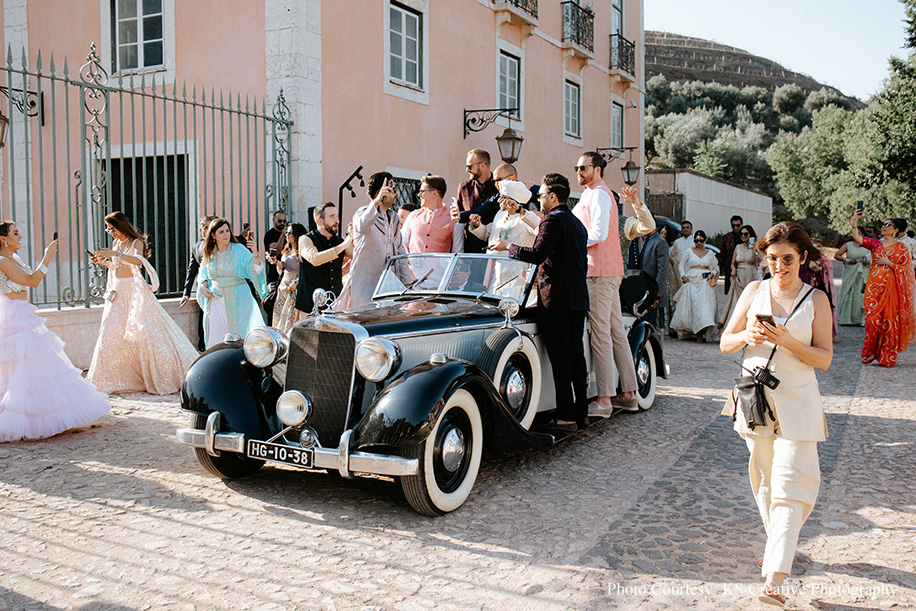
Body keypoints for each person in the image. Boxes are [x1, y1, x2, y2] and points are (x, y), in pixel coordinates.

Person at [719, 221, 833, 608]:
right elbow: (724, 343)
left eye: (787, 259)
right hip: (755, 401)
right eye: (772, 259)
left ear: (802, 258)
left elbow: (825, 358)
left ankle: (775, 577)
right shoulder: (754, 291)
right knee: (764, 479)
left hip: (799, 401)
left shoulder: (815, 300)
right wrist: (746, 337)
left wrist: (788, 341)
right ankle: (778, 548)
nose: (779, 266)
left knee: (791, 483)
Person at [0, 223, 110, 441]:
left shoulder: (15, 260)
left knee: (33, 364)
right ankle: (19, 416)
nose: (20, 235)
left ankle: (38, 413)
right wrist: (47, 256)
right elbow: (32, 281)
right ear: (3, 239)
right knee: (18, 365)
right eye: (15, 233)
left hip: (23, 312)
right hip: (13, 317)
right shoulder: (3, 261)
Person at [501, 173, 589, 434]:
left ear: (553, 197)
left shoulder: (552, 221)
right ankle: (581, 414)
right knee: (576, 357)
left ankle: (565, 418)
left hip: (556, 300)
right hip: (577, 298)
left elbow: (537, 254)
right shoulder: (577, 223)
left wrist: (510, 247)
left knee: (561, 360)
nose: (537, 199)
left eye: (540, 196)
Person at [572, 152, 652, 413]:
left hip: (599, 272)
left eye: (583, 167)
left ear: (597, 169)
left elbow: (597, 233)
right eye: (577, 167)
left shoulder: (598, 195)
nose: (579, 171)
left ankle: (605, 399)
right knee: (615, 331)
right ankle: (628, 392)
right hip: (608, 272)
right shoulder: (592, 194)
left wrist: (568, 244)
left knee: (601, 333)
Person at [87, 212, 198, 394]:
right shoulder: (117, 243)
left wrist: (116, 253)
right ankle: (111, 379)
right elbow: (118, 266)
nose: (110, 232)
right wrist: (103, 262)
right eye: (108, 229)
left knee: (146, 333)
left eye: (112, 228)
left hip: (134, 292)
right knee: (110, 330)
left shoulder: (135, 242)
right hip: (118, 291)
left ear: (121, 225)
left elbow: (137, 262)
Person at [335, 172, 408, 310]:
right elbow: (360, 227)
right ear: (381, 192)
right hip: (365, 286)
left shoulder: (394, 218)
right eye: (393, 190)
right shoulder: (362, 213)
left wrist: (406, 283)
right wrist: (376, 203)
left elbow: (400, 251)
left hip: (390, 287)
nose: (397, 194)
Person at [851, 213, 915, 366]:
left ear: (895, 230)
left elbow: (908, 270)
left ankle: (887, 356)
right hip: (874, 288)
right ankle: (872, 352)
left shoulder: (901, 248)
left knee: (889, 321)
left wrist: (890, 263)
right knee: (872, 320)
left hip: (891, 289)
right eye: (883, 225)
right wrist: (854, 221)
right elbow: (858, 239)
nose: (884, 227)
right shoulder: (875, 244)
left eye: (888, 225)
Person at [197, 218, 267, 348]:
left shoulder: (239, 249)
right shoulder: (209, 253)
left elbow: (255, 269)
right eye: (221, 232)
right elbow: (203, 274)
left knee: (242, 335)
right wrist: (202, 286)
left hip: (239, 299)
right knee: (217, 336)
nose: (226, 235)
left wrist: (255, 253)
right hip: (216, 301)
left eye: (227, 231)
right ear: (213, 235)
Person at [296, 203, 352, 315]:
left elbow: (358, 256)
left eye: (337, 216)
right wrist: (343, 246)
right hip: (310, 306)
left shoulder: (339, 241)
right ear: (319, 220)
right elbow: (315, 259)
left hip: (334, 304)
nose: (337, 221)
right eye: (332, 217)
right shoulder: (305, 239)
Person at [670, 229, 719, 342]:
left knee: (704, 307)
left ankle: (702, 332)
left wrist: (713, 273)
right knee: (693, 306)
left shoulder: (710, 253)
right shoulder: (689, 251)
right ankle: (695, 332)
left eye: (701, 241)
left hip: (705, 280)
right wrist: (683, 275)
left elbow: (716, 267)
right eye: (696, 241)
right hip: (691, 279)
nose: (699, 243)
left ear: (704, 241)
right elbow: (681, 265)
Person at [180, 215, 218, 350]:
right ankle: (204, 349)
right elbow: (192, 271)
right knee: (205, 320)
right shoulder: (197, 247)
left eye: (211, 226)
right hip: (204, 290)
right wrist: (186, 292)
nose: (209, 230)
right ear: (201, 230)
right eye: (206, 227)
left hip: (220, 289)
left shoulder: (222, 244)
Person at [469, 179, 539, 252]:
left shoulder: (526, 217)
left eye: (503, 197)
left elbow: (539, 227)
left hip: (515, 262)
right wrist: (477, 225)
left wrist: (519, 210)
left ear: (513, 200)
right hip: (494, 261)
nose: (499, 200)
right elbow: (486, 233)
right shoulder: (500, 214)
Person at [402, 175, 464, 254]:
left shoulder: (454, 219)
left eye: (422, 191)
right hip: (413, 266)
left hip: (440, 266)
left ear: (434, 193)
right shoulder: (412, 216)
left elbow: (458, 250)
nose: (419, 195)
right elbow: (402, 243)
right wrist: (408, 261)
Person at [718, 224, 762, 329]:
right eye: (741, 234)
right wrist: (733, 269)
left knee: (750, 302)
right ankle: (734, 327)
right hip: (739, 276)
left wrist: (753, 249)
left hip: (750, 275)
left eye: (746, 234)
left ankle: (749, 326)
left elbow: (759, 262)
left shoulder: (755, 247)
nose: (743, 236)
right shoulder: (737, 247)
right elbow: (733, 263)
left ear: (750, 235)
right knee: (736, 302)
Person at [455, 149, 498, 253]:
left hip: (494, 248)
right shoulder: (464, 186)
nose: (467, 170)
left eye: (470, 166)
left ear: (483, 166)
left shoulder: (499, 186)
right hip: (470, 249)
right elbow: (459, 220)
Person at [270, 222, 307, 334]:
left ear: (297, 234)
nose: (287, 235)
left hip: (294, 289)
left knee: (290, 319)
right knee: (280, 316)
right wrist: (276, 262)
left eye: (290, 233)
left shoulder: (302, 250)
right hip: (283, 287)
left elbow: (306, 271)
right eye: (286, 232)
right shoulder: (287, 248)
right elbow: (284, 267)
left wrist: (296, 282)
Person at [833, 235, 870, 326]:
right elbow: (837, 255)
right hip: (850, 272)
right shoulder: (848, 245)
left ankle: (860, 319)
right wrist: (848, 260)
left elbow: (873, 259)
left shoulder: (868, 246)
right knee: (847, 292)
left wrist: (867, 262)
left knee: (860, 294)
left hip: (862, 273)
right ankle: (846, 319)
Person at [639, 223, 670, 329]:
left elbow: (662, 270)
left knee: (654, 329)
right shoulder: (645, 241)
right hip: (644, 292)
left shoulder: (660, 242)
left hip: (654, 294)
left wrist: (656, 294)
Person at [262, 210, 288, 321]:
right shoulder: (270, 235)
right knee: (272, 308)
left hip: (286, 276)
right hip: (274, 276)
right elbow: (275, 251)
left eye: (284, 221)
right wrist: (282, 237)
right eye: (279, 221)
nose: (282, 223)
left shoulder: (288, 235)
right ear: (273, 220)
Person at [719, 215, 744, 295]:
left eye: (738, 225)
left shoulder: (746, 236)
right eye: (733, 226)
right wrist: (717, 269)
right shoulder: (727, 237)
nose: (736, 228)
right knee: (730, 293)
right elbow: (722, 255)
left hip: (743, 269)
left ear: (742, 224)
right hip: (730, 269)